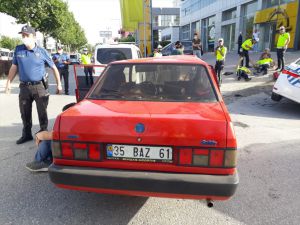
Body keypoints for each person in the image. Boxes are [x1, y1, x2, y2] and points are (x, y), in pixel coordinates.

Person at [5, 25, 62, 145]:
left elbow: (54, 68)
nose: (24, 37)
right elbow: (14, 67)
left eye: (27, 35)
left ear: (34, 37)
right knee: (24, 112)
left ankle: (43, 133)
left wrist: (59, 84)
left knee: (42, 111)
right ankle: (27, 134)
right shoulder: (18, 50)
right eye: (23, 35)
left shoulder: (41, 51)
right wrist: (8, 82)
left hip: (39, 87)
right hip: (24, 87)